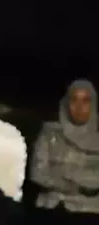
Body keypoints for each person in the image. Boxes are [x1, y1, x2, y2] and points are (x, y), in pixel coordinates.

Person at [29, 79, 99, 225]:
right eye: (74, 100)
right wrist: (71, 185)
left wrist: (65, 172)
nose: (79, 107)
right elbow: (37, 173)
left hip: (90, 212)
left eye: (85, 101)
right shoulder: (50, 133)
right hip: (51, 209)